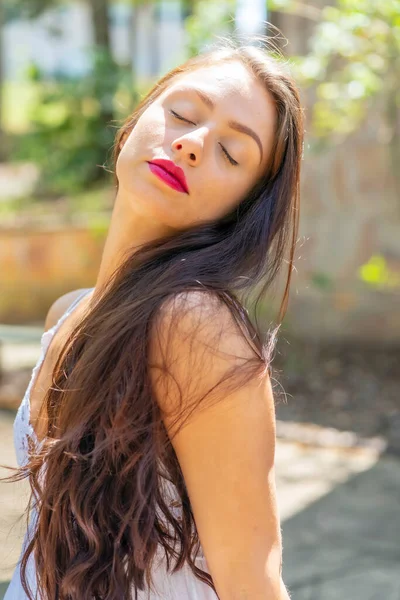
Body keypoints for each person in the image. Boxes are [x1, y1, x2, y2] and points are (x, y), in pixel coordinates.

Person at [2, 37, 303, 599]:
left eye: (231, 154)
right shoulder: (67, 313)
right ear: (138, 117)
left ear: (242, 209)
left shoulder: (195, 325)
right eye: (183, 113)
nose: (192, 144)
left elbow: (253, 583)